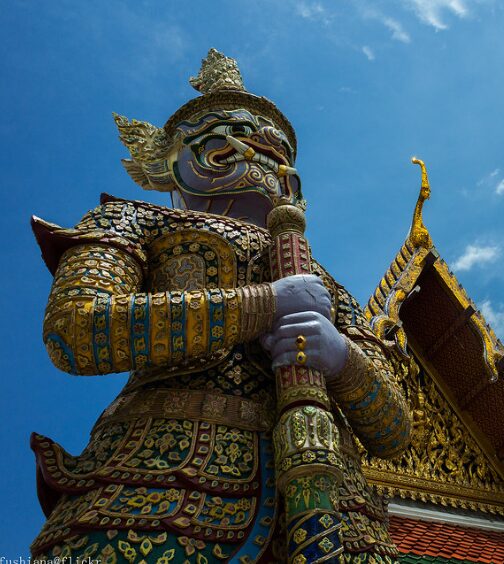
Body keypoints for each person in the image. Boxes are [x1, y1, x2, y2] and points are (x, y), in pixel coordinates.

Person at [30, 48, 412, 562]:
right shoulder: (133, 222)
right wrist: (260, 304)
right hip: (155, 486)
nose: (262, 149)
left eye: (277, 145)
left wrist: (341, 357)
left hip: (338, 510)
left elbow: (394, 432)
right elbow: (76, 330)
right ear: (169, 161)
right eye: (229, 132)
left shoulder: (326, 286)